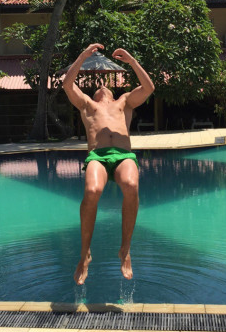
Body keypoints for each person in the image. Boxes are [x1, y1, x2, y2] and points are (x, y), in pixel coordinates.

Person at [62, 43, 155, 285]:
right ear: (93, 94)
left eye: (107, 86)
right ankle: (85, 253)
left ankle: (125, 249)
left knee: (131, 186)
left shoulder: (124, 101)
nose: (103, 86)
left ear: (113, 93)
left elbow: (149, 87)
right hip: (98, 156)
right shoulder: (87, 104)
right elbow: (67, 85)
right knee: (92, 191)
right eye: (98, 87)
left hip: (123, 155)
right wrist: (83, 56)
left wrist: (132, 61)